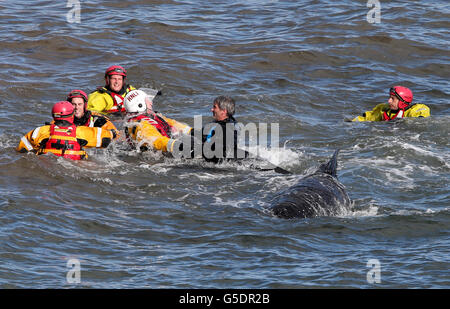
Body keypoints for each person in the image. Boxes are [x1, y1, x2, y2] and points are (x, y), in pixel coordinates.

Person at [17, 101, 115, 160]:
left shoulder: (41, 131)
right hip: (75, 165)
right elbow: (106, 140)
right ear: (72, 115)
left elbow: (21, 148)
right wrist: (113, 133)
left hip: (47, 162)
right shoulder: (82, 132)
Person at [123, 89, 191, 153]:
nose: (151, 103)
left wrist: (190, 131)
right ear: (140, 105)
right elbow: (156, 140)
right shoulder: (141, 125)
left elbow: (171, 123)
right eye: (148, 101)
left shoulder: (151, 117)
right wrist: (179, 145)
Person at [189, 95, 248, 163]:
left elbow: (226, 145)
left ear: (223, 111)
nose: (212, 109)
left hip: (227, 164)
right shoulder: (217, 123)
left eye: (215, 107)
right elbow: (201, 133)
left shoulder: (228, 127)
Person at [351, 86, 430, 122]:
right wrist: (351, 122)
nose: (389, 101)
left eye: (393, 99)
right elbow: (369, 118)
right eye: (390, 97)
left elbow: (422, 117)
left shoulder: (415, 110)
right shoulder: (384, 109)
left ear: (403, 101)